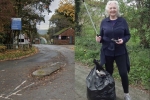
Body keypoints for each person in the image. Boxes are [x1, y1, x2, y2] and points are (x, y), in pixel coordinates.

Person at [96, 1, 131, 100]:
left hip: (120, 51)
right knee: (109, 73)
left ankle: (126, 94)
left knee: (123, 73)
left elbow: (128, 35)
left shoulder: (122, 21)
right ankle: (110, 93)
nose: (112, 10)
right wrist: (99, 39)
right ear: (108, 10)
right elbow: (101, 36)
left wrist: (123, 40)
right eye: (110, 8)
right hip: (108, 51)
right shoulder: (104, 22)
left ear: (117, 9)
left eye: (114, 8)